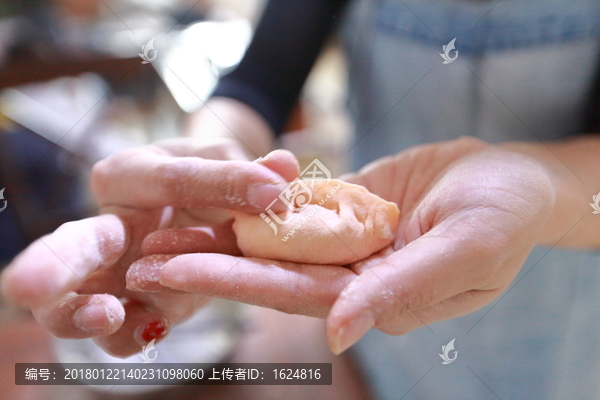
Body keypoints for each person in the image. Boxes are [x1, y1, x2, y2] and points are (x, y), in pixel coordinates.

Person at [3, 0, 600, 398]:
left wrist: (543, 187)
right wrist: (201, 165)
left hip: (570, 315)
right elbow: (260, 81)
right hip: (375, 306)